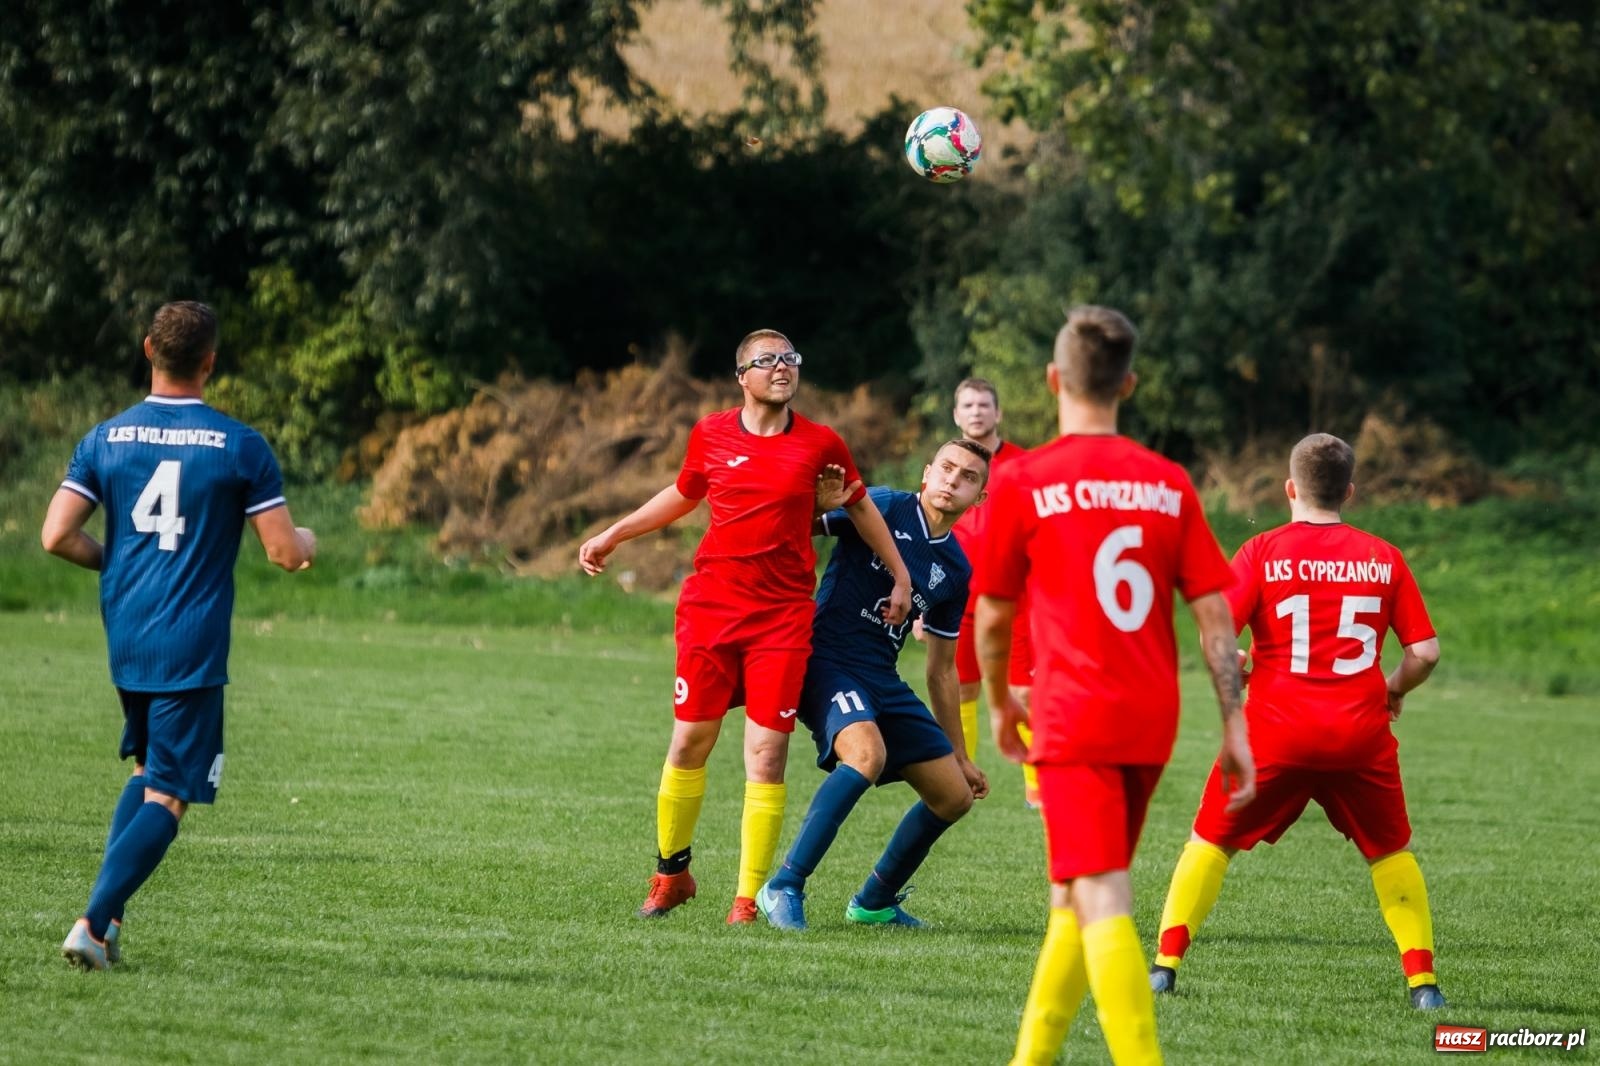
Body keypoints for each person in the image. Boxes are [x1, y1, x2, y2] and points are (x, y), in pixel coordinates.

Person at [974, 305, 1255, 1065]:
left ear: (1051, 379)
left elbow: (993, 620)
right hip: (1150, 719)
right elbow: (1214, 617)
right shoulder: (1168, 482)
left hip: (1072, 718)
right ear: (1128, 384)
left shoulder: (1025, 479)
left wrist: (1000, 704)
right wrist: (1234, 725)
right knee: (1074, 892)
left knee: (1099, 894)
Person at [579, 329, 913, 924]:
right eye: (767, 361)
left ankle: (747, 899)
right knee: (689, 742)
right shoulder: (709, 433)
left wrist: (902, 578)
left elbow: (859, 506)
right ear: (742, 377)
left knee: (767, 753)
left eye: (790, 359)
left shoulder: (821, 443)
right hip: (710, 610)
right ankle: (671, 874)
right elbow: (684, 495)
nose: (782, 368)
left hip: (782, 619)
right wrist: (613, 534)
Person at [44, 301, 317, 971]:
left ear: (147, 350)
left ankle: (105, 930)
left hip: (127, 633)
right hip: (189, 642)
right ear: (210, 362)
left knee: (146, 774)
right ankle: (91, 921)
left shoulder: (105, 437)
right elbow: (284, 552)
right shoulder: (239, 444)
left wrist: (119, 564)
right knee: (172, 792)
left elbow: (56, 535)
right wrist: (311, 539)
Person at [1148, 433, 1446, 1009]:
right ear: (1350, 492)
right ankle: (1423, 985)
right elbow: (1425, 652)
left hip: (1274, 732)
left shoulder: (1261, 551)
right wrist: (1393, 688)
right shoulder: (1383, 556)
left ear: (1289, 488)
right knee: (1389, 852)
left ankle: (1165, 966)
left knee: (1210, 841)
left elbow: (1218, 641)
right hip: (1360, 733)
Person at [756, 440, 992, 932]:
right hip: (827, 660)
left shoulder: (956, 569)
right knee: (866, 755)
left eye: (968, 476)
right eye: (946, 467)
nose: (952, 480)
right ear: (926, 472)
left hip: (883, 675)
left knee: (953, 796)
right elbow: (796, 523)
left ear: (979, 497)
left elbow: (942, 671)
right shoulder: (884, 505)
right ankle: (785, 884)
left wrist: (962, 755)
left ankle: (874, 902)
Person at [947, 378, 1037, 805]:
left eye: (984, 404)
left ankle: (1039, 787)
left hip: (1018, 595)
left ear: (998, 413)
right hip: (957, 594)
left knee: (1026, 690)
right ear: (956, 415)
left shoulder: (1025, 466)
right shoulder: (947, 465)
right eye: (968, 404)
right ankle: (961, 779)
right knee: (961, 688)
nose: (977, 411)